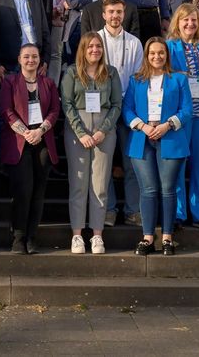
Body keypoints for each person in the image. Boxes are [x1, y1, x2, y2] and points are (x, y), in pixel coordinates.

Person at [122, 37, 192, 256]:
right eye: (152, 53)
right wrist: (142, 126)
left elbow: (186, 110)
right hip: (142, 138)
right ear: (146, 55)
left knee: (168, 189)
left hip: (169, 137)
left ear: (167, 55)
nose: (157, 56)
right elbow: (127, 109)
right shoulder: (136, 80)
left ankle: (168, 238)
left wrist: (167, 125)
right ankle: (148, 237)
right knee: (148, 190)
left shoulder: (178, 80)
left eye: (161, 52)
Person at [61, 34, 123, 254]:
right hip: (77, 131)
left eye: (98, 46)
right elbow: (67, 104)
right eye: (90, 46)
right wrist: (81, 132)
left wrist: (103, 130)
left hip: (104, 132)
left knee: (100, 185)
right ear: (83, 49)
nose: (95, 50)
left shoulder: (111, 72)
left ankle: (97, 235)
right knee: (78, 184)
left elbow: (117, 104)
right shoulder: (71, 72)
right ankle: (77, 235)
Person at [0, 44, 60, 254]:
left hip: (42, 141)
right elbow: (5, 110)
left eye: (34, 57)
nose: (30, 60)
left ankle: (32, 236)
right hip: (19, 142)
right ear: (19, 59)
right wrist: (26, 132)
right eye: (26, 56)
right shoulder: (10, 82)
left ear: (40, 60)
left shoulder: (48, 83)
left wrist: (39, 131)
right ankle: (18, 236)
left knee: (38, 192)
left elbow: (54, 110)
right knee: (22, 191)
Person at [165, 4, 199, 229]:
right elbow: (162, 75)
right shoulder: (169, 46)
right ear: (177, 22)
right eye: (185, 20)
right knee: (177, 167)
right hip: (178, 116)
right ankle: (178, 213)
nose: (190, 24)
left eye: (194, 20)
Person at [97, 0, 144, 227]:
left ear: (123, 14)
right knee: (104, 163)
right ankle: (108, 209)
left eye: (119, 12)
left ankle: (132, 209)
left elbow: (138, 77)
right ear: (104, 14)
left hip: (128, 108)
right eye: (111, 12)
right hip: (104, 109)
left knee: (131, 162)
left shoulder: (134, 42)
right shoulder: (95, 40)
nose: (115, 16)